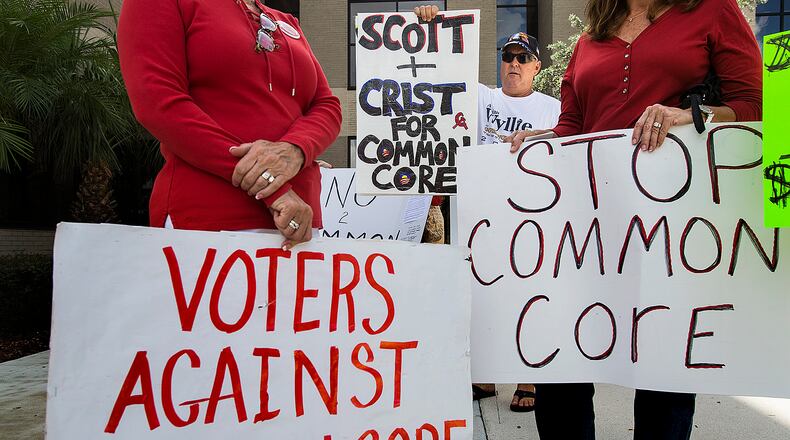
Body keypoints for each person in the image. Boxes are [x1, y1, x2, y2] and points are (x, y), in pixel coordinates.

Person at [506, 0, 762, 437]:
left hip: (675, 227)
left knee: (664, 369)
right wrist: (542, 139)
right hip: (590, 225)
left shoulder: (712, 10)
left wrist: (690, 116)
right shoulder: (591, 37)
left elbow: (755, 105)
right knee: (560, 363)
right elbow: (574, 125)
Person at [415, 5, 561, 413]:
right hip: (479, 213)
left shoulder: (552, 108)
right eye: (508, 57)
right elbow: (440, 69)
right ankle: (484, 374)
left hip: (531, 215)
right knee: (479, 292)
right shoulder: (479, 96)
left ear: (536, 67)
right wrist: (432, 25)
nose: (513, 64)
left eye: (522, 58)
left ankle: (528, 377)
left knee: (528, 293)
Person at [117, 0, 341, 248]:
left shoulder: (286, 21)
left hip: (300, 223)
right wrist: (273, 189)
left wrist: (294, 149)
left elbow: (327, 106)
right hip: (210, 220)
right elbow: (159, 103)